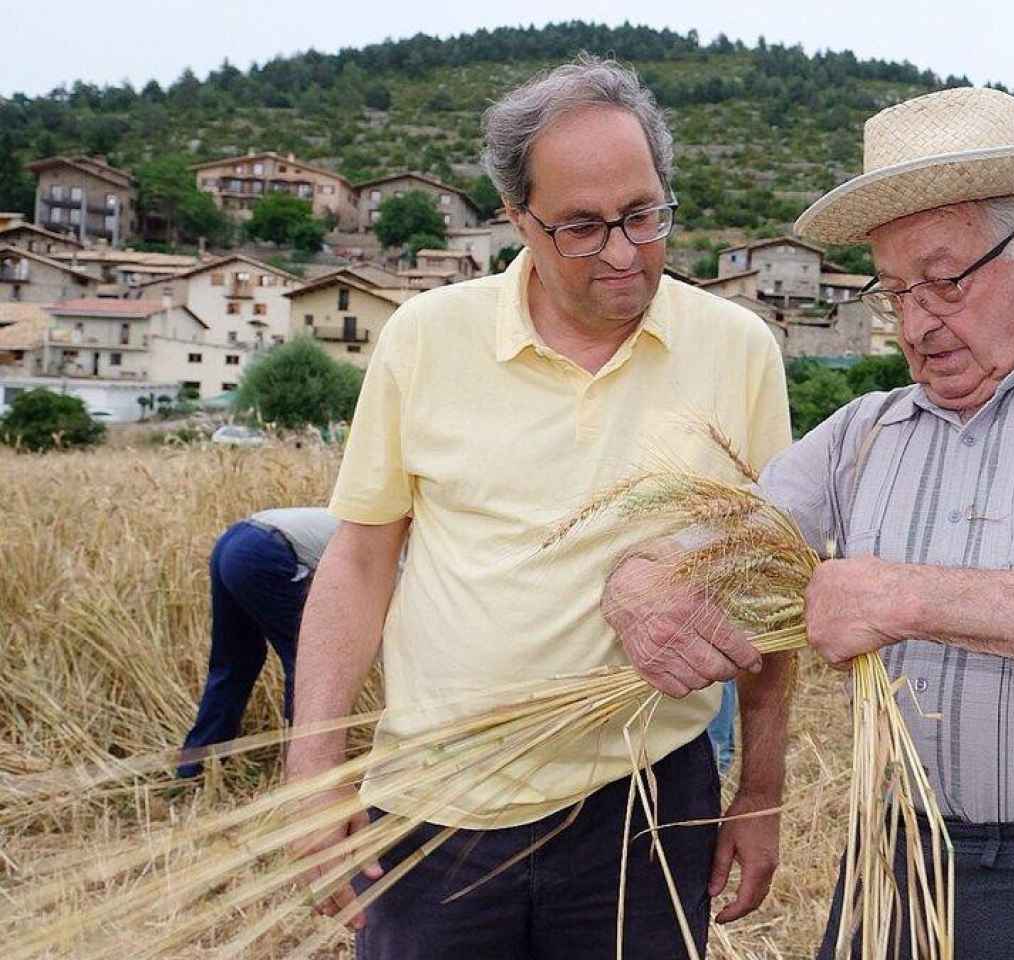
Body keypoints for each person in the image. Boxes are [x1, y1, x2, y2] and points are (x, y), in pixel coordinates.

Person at [607, 86, 1014, 960]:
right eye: (894, 291)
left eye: (945, 279)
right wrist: (639, 583)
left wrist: (911, 597)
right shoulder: (861, 435)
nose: (917, 322)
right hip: (907, 867)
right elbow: (712, 546)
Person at [284, 58, 794, 958]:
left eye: (644, 215)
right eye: (584, 227)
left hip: (646, 803)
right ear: (518, 217)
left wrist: (760, 790)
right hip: (437, 805)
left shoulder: (738, 350)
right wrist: (313, 777)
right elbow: (360, 562)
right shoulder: (425, 339)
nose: (626, 253)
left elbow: (770, 584)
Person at [177, 508, 338, 778]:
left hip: (234, 541)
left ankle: (193, 770)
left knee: (234, 664)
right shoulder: (403, 548)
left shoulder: (364, 519)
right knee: (308, 665)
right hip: (265, 551)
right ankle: (304, 773)